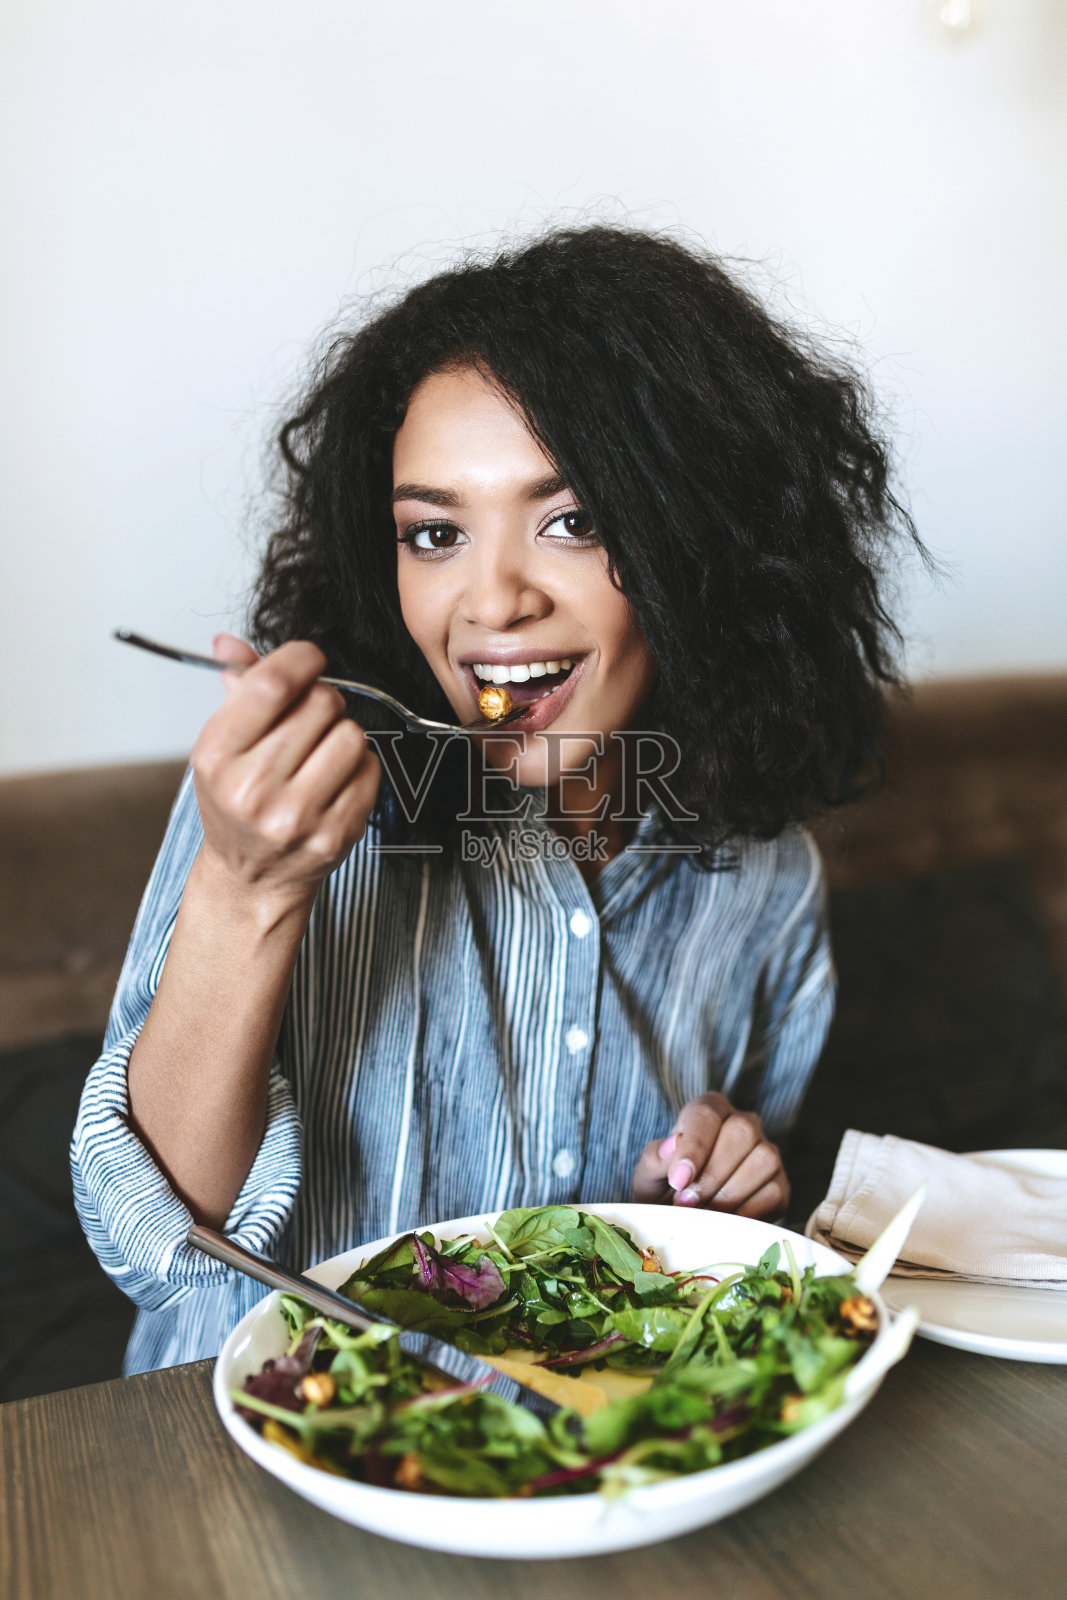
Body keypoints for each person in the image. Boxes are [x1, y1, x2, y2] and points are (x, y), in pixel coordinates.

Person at [72, 226, 920, 1374]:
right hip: (241, 1466)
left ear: (699, 545)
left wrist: (711, 1188)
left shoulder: (760, 877)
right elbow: (153, 1245)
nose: (492, 601)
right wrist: (247, 891)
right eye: (435, 533)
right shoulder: (284, 806)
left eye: (571, 519)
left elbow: (700, 1247)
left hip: (572, 1463)